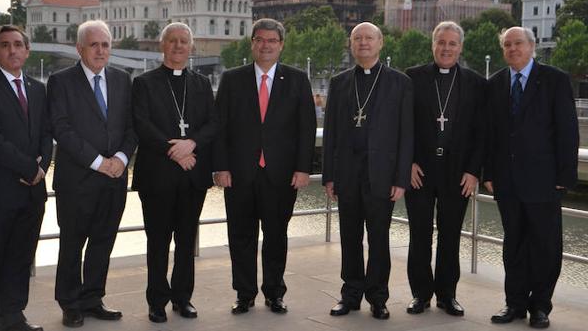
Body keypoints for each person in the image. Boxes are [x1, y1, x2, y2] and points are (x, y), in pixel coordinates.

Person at [213, 18, 316, 315]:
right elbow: (220, 128)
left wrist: (303, 168)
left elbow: (306, 129)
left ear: (281, 45)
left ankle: (274, 293)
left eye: (272, 40)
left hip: (281, 175)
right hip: (239, 174)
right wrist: (220, 167)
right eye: (260, 39)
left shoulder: (297, 80)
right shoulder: (233, 79)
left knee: (275, 236)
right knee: (241, 236)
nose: (266, 45)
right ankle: (244, 294)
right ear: (252, 43)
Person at [485, 27, 578, 329]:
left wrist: (565, 175)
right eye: (507, 45)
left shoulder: (555, 80)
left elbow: (567, 131)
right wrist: (488, 173)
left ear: (532, 46)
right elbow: (490, 135)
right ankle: (514, 304)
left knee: (544, 246)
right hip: (507, 182)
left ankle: (540, 306)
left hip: (544, 180)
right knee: (513, 245)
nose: (513, 49)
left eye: (518, 44)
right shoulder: (496, 83)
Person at [47, 20, 137, 328]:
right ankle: (70, 303)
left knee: (103, 241)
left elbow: (131, 125)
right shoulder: (60, 81)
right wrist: (99, 161)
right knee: (72, 243)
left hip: (115, 178)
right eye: (94, 45)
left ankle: (93, 298)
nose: (100, 50)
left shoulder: (123, 79)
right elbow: (61, 128)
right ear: (79, 48)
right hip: (78, 179)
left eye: (106, 45)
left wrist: (123, 158)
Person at [322, 22, 413, 320]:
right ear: (351, 44)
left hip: (382, 176)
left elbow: (405, 135)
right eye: (357, 38)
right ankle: (350, 295)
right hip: (347, 174)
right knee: (349, 237)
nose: (363, 43)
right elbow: (332, 133)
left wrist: (401, 179)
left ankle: (378, 297)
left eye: (369, 38)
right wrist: (329, 176)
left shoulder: (399, 83)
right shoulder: (339, 82)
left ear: (380, 42)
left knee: (378, 239)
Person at [0, 25, 52, 331]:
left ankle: (15, 316)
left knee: (20, 256)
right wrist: (31, 169)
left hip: (32, 192)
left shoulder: (38, 88)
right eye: (5, 45)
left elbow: (46, 134)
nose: (12, 50)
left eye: (18, 44)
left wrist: (42, 168)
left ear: (27, 51)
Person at [132, 22, 218, 323]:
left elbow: (212, 123)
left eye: (184, 41)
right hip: (157, 175)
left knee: (186, 240)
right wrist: (176, 151)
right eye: (173, 41)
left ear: (191, 47)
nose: (179, 46)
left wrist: (191, 143)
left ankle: (183, 298)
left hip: (192, 176)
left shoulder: (202, 84)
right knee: (157, 241)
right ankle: (157, 301)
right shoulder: (144, 83)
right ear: (162, 45)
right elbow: (141, 124)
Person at [403, 21, 486, 317]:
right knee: (419, 235)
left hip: (457, 173)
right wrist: (407, 162)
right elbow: (403, 126)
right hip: (420, 171)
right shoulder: (412, 78)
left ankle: (447, 295)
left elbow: (481, 132)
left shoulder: (476, 83)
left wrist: (474, 170)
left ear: (460, 48)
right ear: (433, 45)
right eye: (441, 42)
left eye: (452, 43)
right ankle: (420, 295)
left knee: (450, 236)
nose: (446, 48)